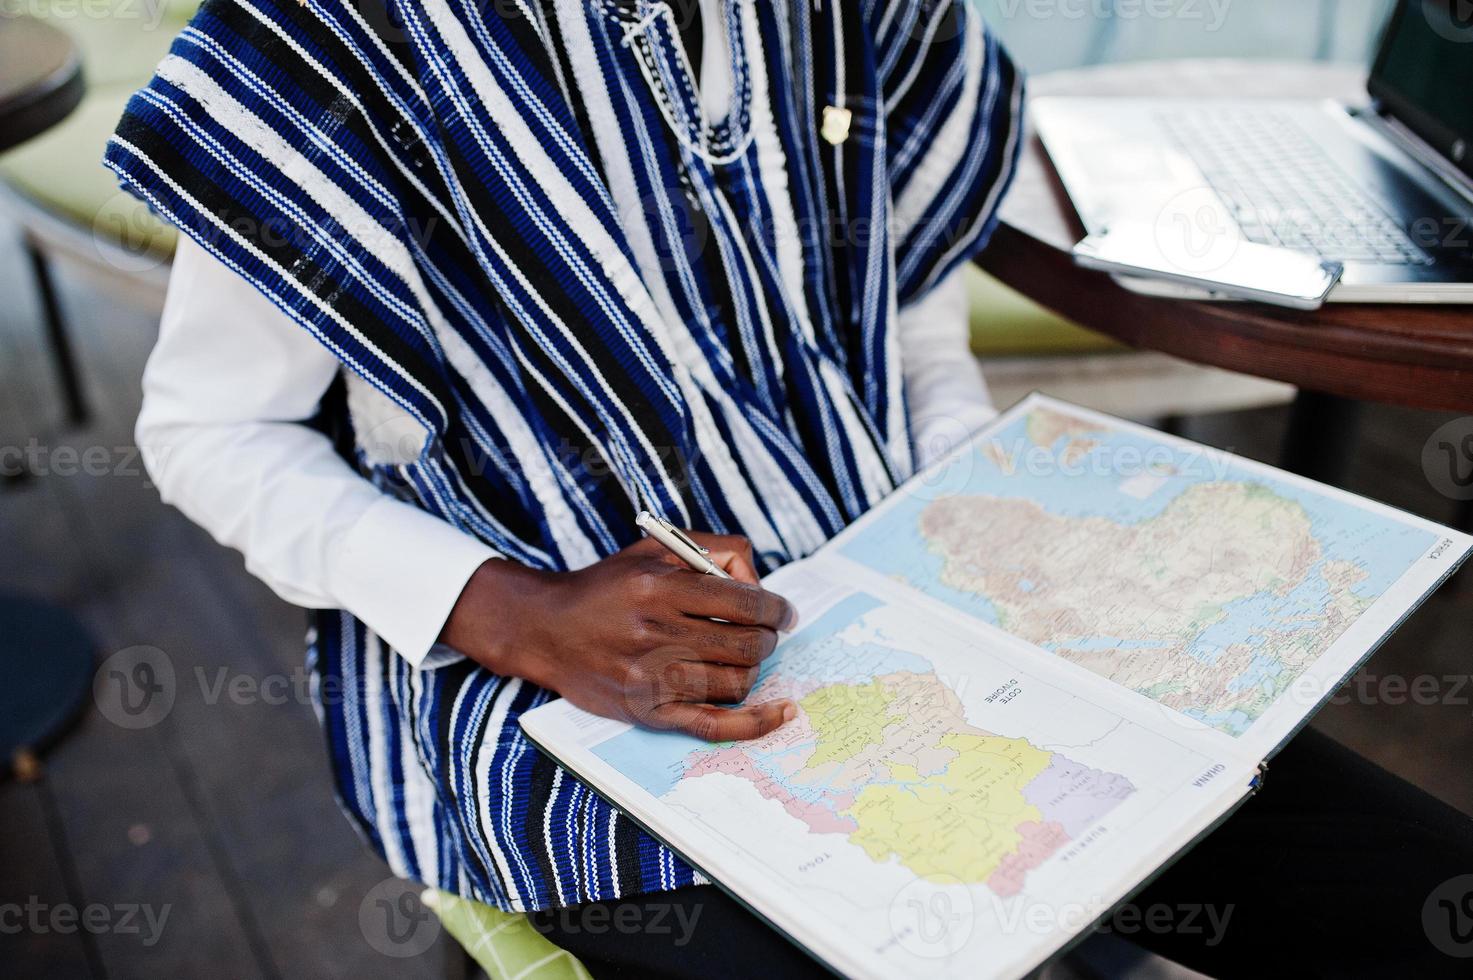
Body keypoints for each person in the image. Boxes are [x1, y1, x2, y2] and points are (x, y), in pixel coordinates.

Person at [112, 1, 1472, 976]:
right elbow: (209, 435)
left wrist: (983, 519)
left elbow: (908, 316)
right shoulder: (325, 45)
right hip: (547, 674)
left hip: (919, 581)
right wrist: (510, 611)